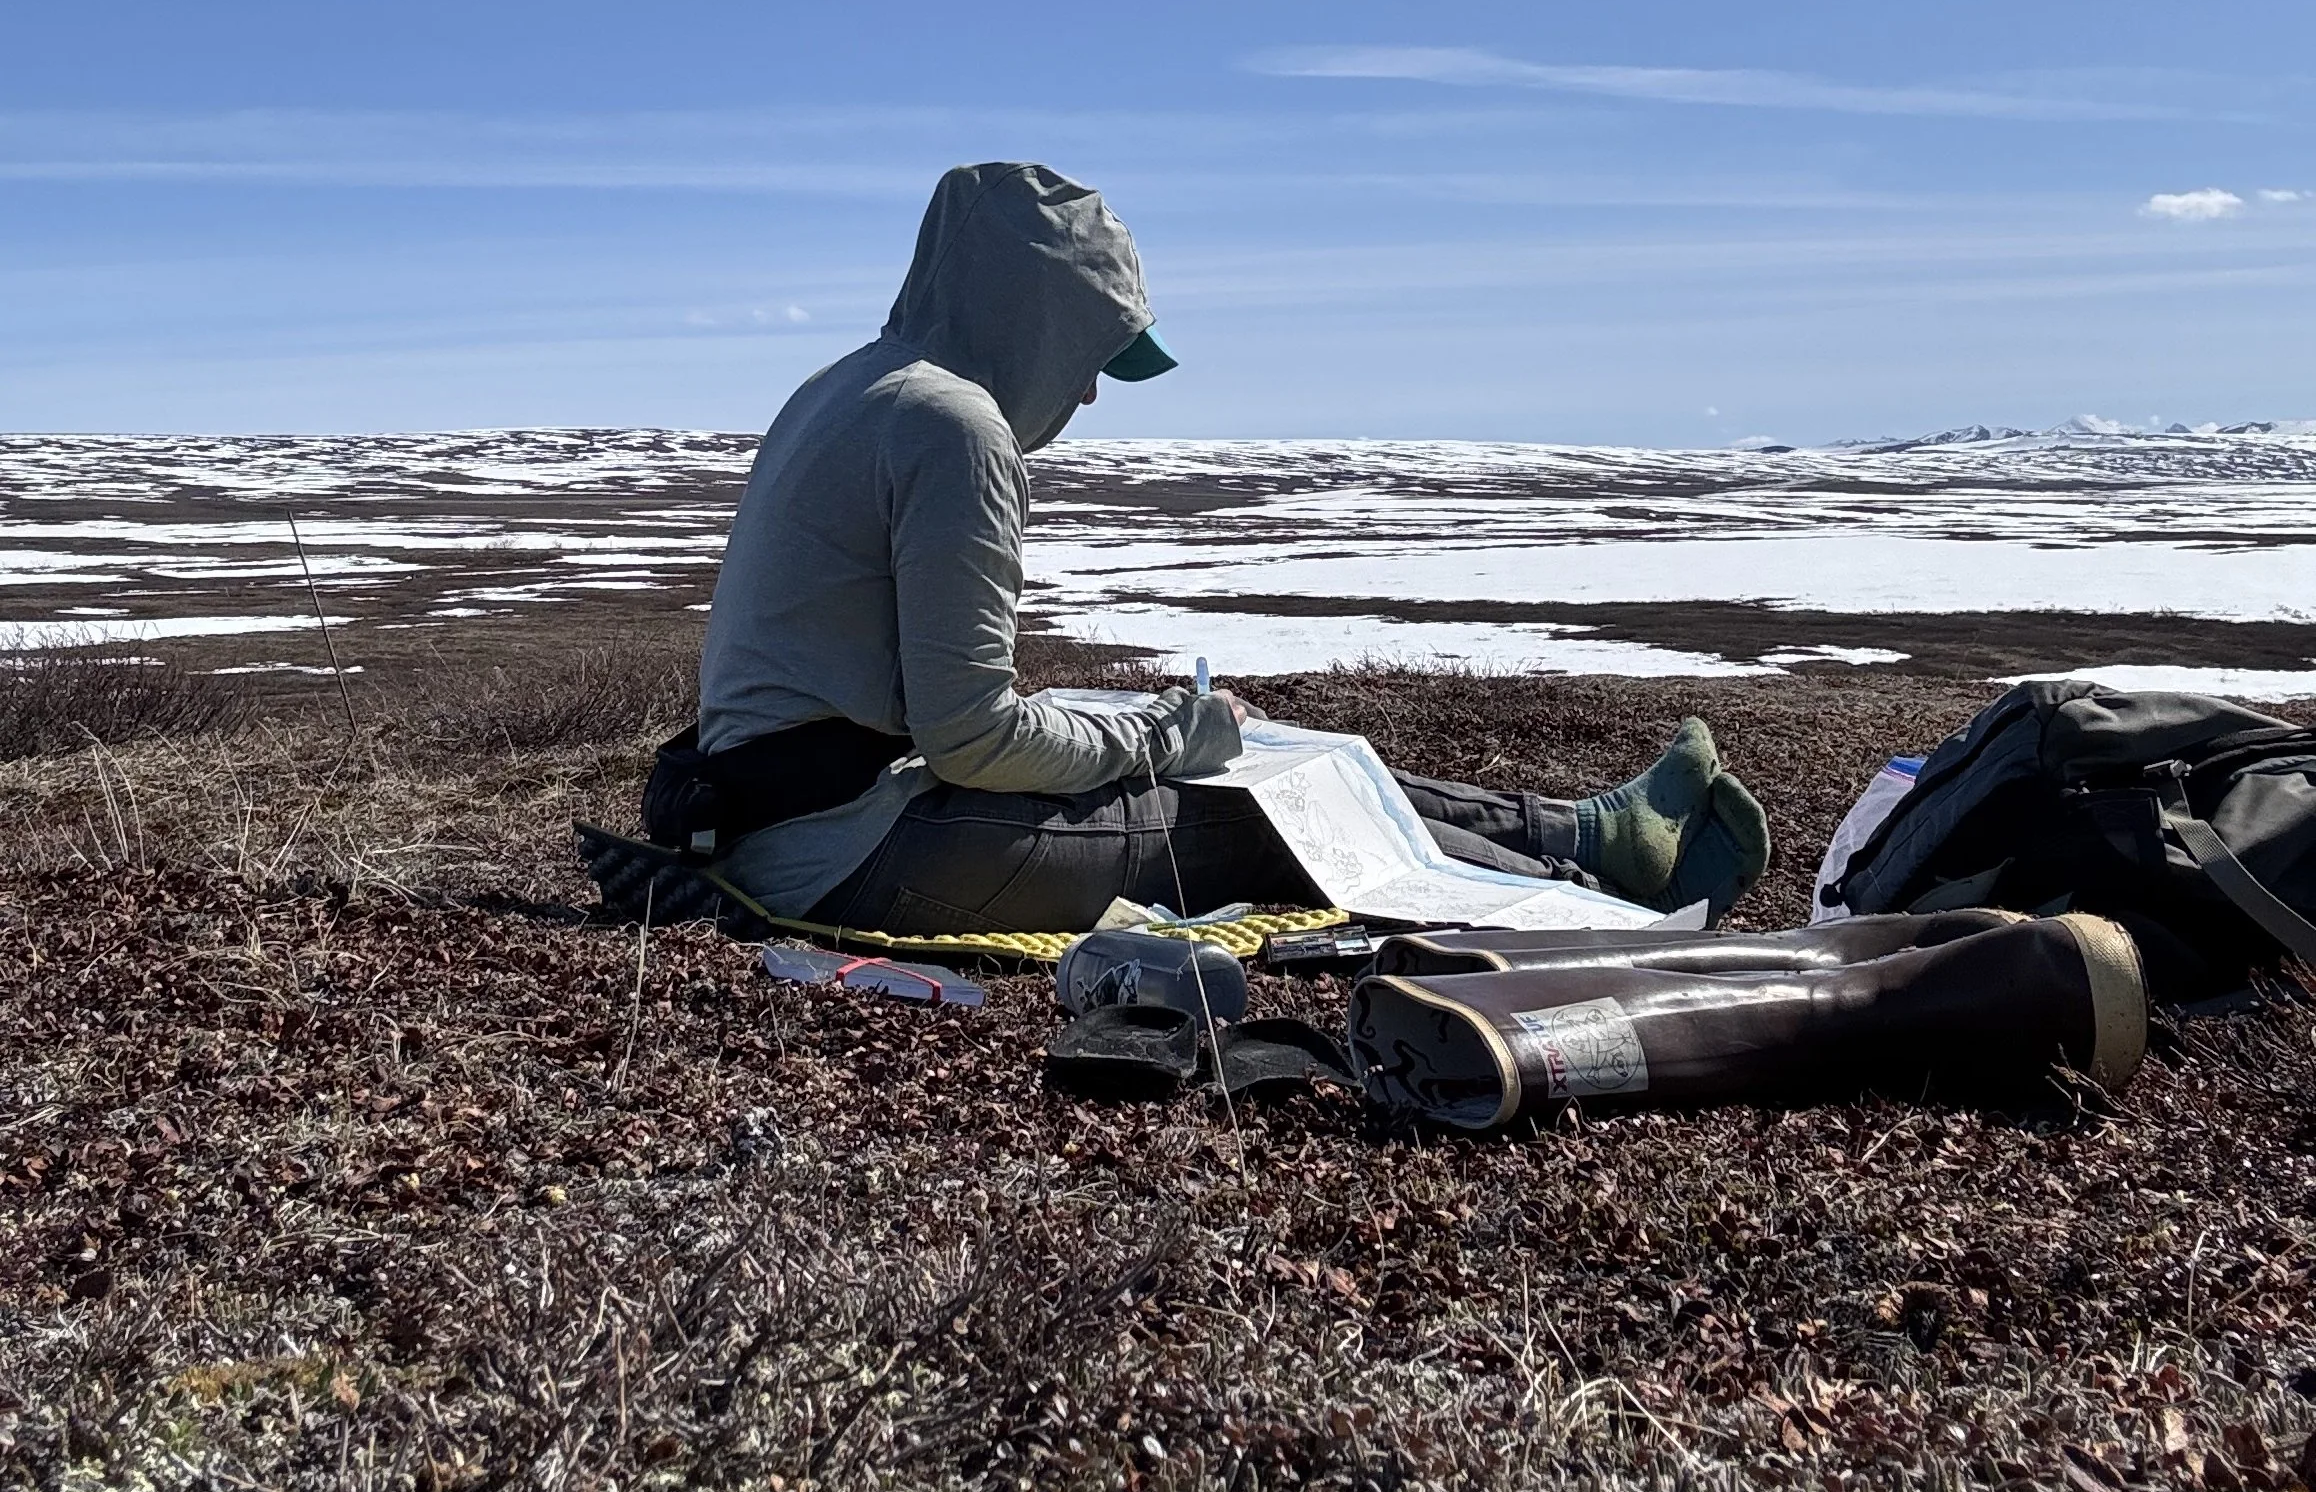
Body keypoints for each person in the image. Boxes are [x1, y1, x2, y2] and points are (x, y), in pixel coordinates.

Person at [646, 160, 1770, 938]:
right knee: (1263, 815)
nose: (1088, 386)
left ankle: (1582, 831)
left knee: (1278, 756)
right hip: (853, 853)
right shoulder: (955, 425)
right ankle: (1611, 904)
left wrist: (1147, 735)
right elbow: (971, 733)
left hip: (790, 822)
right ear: (1032, 318)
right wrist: (1161, 737)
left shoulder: (845, 388)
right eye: (1090, 347)